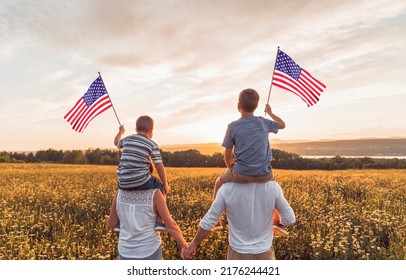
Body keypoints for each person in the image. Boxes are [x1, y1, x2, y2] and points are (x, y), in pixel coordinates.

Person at [213, 88, 286, 229]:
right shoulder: (263, 122)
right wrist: (270, 112)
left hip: (241, 173)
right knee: (274, 188)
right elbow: (282, 125)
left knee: (218, 183)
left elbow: (228, 154)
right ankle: (277, 221)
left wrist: (232, 169)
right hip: (264, 174)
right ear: (256, 106)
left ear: (239, 106)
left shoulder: (232, 126)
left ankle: (216, 221)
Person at [183, 180, 295, 260]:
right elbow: (289, 218)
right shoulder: (273, 187)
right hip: (265, 254)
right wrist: (277, 225)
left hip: (238, 255)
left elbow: (209, 222)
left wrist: (193, 245)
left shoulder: (226, 188)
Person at [114, 115, 169, 231]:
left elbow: (116, 142)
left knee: (121, 194)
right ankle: (160, 220)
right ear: (151, 131)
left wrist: (120, 132)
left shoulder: (128, 139)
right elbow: (159, 165)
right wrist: (165, 184)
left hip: (122, 182)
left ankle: (118, 221)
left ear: (136, 129)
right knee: (161, 188)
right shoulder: (151, 144)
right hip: (141, 180)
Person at [108, 188, 188, 260]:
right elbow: (171, 226)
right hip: (150, 251)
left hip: (125, 251)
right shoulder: (154, 194)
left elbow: (112, 224)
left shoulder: (119, 193)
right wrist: (185, 246)